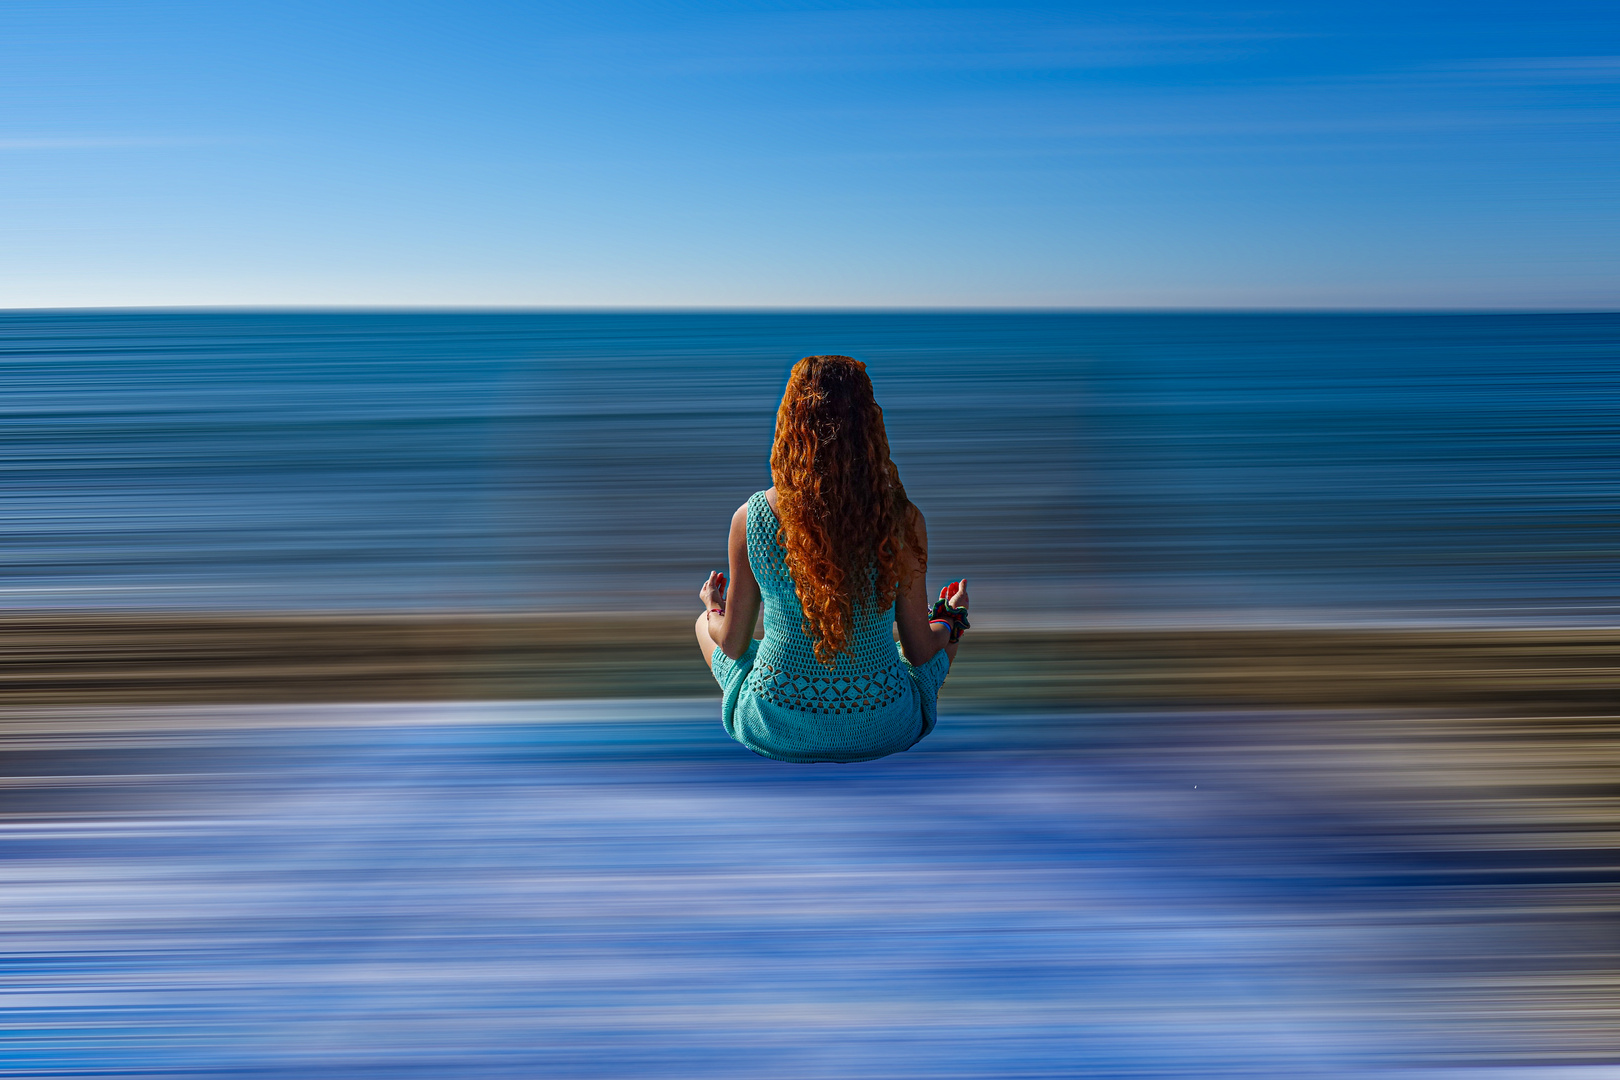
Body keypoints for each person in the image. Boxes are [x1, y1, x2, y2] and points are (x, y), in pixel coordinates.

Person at [694, 355, 971, 763]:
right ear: (868, 427)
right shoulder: (901, 518)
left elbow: (733, 646)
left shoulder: (751, 518)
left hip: (774, 721)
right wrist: (950, 620)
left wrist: (713, 607)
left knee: (709, 628)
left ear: (791, 425)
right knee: (923, 653)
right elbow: (918, 650)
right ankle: (956, 621)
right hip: (885, 722)